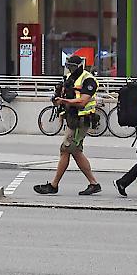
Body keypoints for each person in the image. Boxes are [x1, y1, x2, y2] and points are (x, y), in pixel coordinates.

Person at [34, 55, 101, 195]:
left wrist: (63, 101)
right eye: (68, 66)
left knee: (66, 149)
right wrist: (57, 97)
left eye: (72, 66)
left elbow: (83, 102)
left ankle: (54, 185)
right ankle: (93, 183)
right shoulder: (70, 77)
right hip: (73, 119)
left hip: (82, 120)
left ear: (79, 66)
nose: (69, 69)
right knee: (74, 151)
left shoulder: (88, 80)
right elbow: (66, 94)